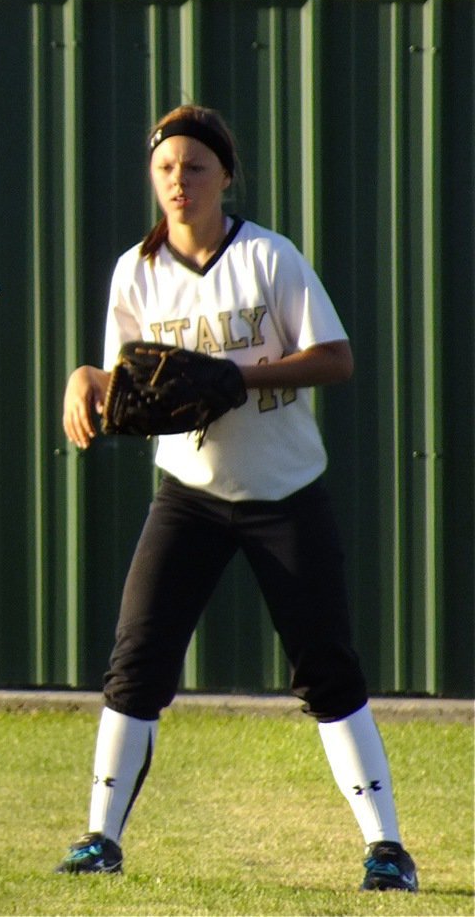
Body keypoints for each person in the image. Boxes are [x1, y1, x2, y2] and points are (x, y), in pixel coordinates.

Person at [56, 104, 417, 892]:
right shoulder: (136, 270)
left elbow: (337, 358)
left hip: (285, 491)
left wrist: (241, 377)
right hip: (188, 490)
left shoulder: (268, 257)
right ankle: (98, 838)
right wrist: (87, 380)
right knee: (137, 660)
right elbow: (126, 381)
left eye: (194, 167)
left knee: (327, 664)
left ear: (226, 174)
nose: (178, 182)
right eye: (165, 168)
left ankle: (387, 847)